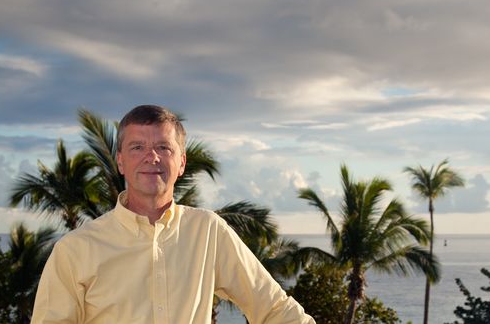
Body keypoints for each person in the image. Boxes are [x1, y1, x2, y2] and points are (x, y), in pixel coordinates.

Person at [31, 105, 315, 323]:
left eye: (163, 147)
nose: (151, 157)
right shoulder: (75, 250)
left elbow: (274, 308)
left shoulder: (208, 231)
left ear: (181, 163)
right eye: (137, 147)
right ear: (120, 161)